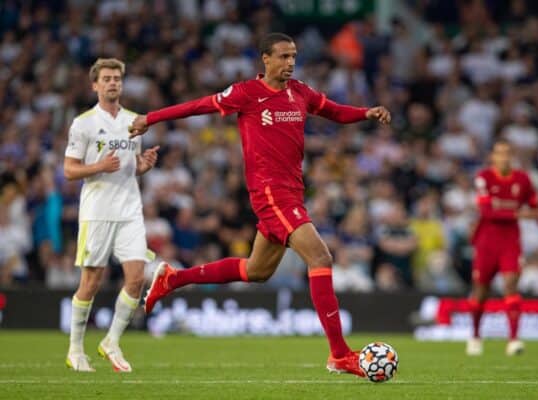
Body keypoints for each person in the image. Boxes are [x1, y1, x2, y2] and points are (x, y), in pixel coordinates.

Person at [129, 33, 390, 377]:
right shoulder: (246, 94)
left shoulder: (300, 92)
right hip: (270, 193)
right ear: (265, 59)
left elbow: (333, 112)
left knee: (256, 271)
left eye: (293, 56)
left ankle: (173, 279)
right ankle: (339, 354)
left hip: (292, 193)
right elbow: (198, 105)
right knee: (321, 257)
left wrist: (365, 113)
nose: (290, 62)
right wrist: (151, 118)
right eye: (283, 56)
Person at [63, 58, 159, 372]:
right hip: (97, 212)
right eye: (106, 78)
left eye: (117, 78)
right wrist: (99, 167)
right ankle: (76, 350)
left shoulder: (134, 121)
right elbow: (69, 170)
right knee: (90, 282)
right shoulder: (84, 123)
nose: (112, 83)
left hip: (130, 210)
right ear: (95, 85)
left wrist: (141, 166)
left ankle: (111, 341)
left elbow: (129, 168)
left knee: (136, 279)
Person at [467, 139, 538, 356]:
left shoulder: (522, 179)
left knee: (511, 285)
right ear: (492, 156)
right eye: (499, 153)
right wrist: (519, 214)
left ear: (511, 156)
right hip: (486, 241)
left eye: (507, 153)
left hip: (510, 241)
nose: (503, 157)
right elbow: (487, 213)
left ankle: (513, 340)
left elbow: (536, 209)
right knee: (480, 291)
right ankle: (475, 335)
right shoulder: (484, 178)